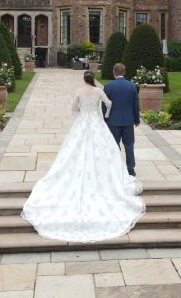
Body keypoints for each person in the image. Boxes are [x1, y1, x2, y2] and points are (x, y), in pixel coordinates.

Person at [21, 70, 145, 243]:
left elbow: (73, 109)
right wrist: (104, 115)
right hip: (96, 123)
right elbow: (108, 104)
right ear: (93, 79)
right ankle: (116, 171)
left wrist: (82, 112)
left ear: (83, 79)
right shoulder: (99, 90)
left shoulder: (79, 91)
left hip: (83, 122)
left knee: (74, 149)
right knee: (106, 149)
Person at [103, 63, 140, 177]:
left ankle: (115, 167)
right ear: (124, 72)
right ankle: (130, 169)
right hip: (128, 121)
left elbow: (104, 105)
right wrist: (137, 120)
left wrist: (104, 118)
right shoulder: (132, 86)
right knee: (129, 145)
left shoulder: (108, 86)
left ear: (114, 72)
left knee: (114, 145)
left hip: (113, 121)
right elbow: (136, 105)